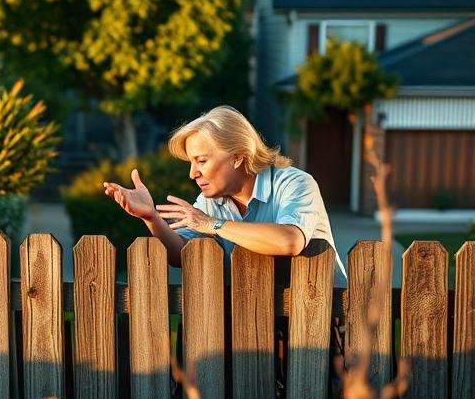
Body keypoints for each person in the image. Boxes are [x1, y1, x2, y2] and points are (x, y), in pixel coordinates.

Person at [102, 105, 345, 279]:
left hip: (323, 320)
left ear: (238, 156)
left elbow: (290, 241)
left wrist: (213, 224)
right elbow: (181, 255)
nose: (192, 173)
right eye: (191, 162)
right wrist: (151, 218)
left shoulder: (296, 183)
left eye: (202, 161)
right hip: (256, 322)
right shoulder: (213, 201)